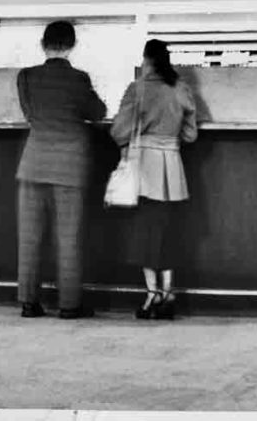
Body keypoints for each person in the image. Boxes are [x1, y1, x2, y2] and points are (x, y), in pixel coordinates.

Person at [15, 20, 107, 319]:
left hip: (34, 163)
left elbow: (29, 114)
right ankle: (69, 305)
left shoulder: (26, 77)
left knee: (30, 238)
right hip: (70, 166)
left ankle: (29, 303)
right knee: (68, 238)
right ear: (72, 45)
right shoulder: (79, 79)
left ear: (43, 44)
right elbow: (98, 113)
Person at [110, 39, 197, 320]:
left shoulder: (138, 88)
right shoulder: (181, 88)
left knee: (145, 233)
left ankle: (152, 294)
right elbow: (190, 135)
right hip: (172, 168)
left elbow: (119, 130)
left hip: (145, 167)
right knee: (168, 232)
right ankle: (168, 291)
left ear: (146, 59)